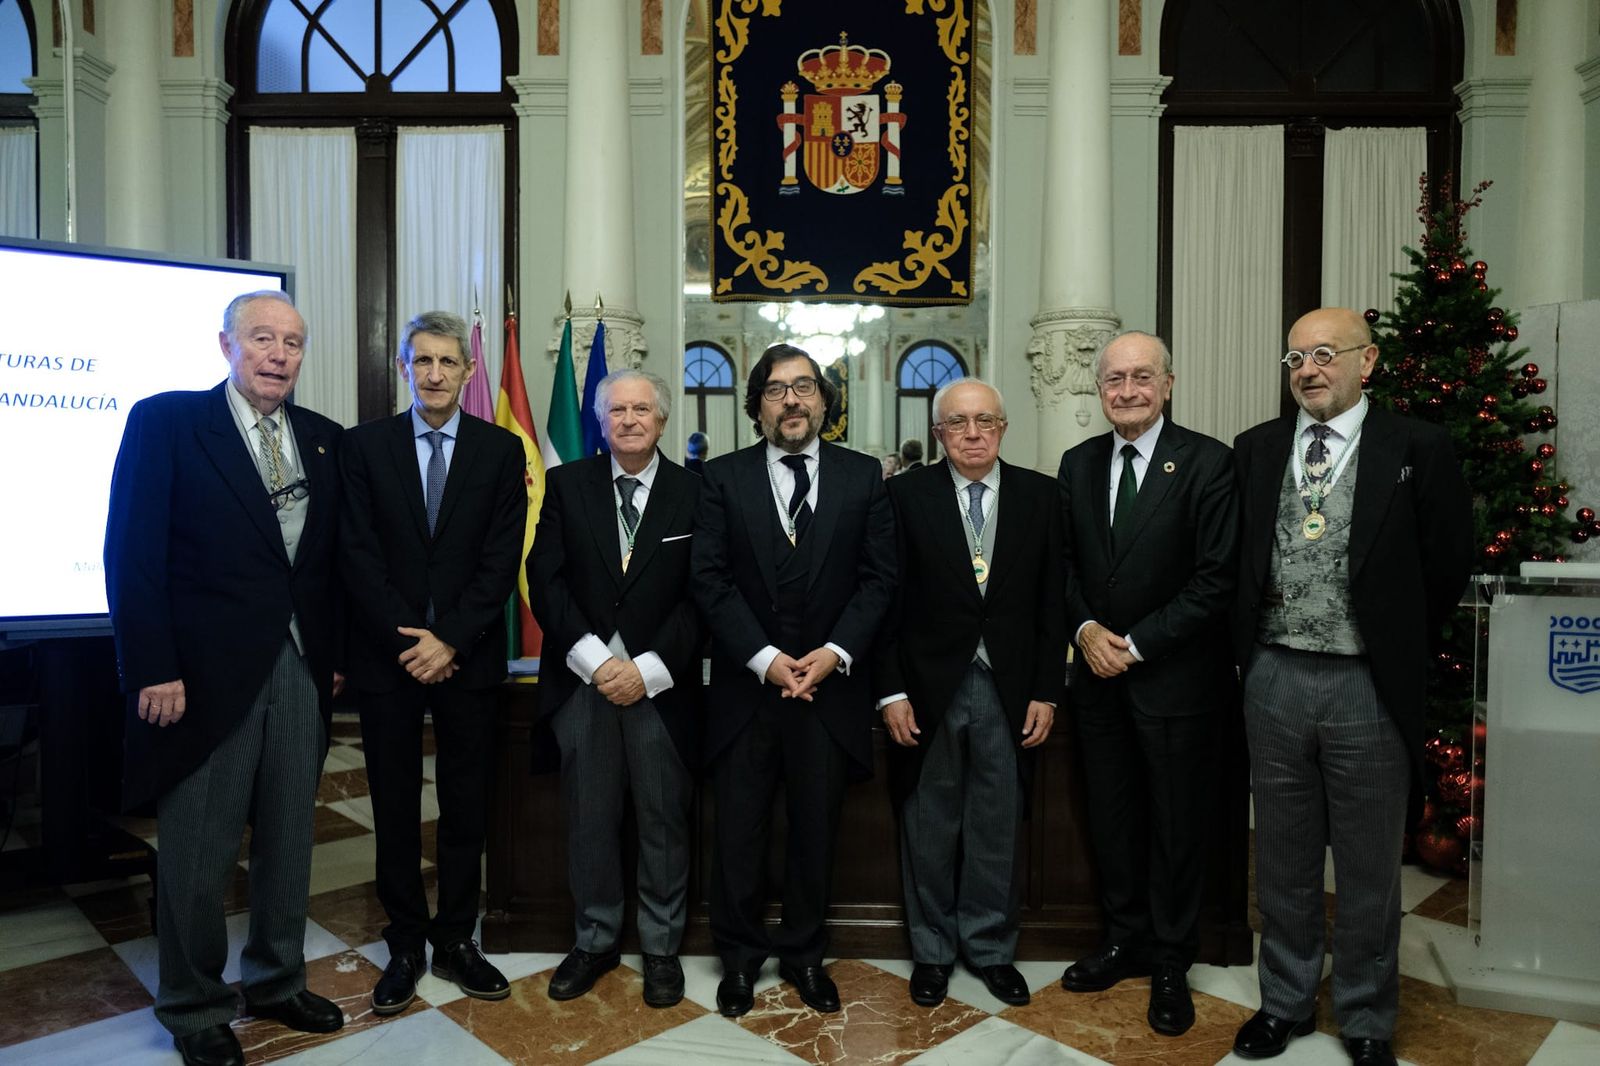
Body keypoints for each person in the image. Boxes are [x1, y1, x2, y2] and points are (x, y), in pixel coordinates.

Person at [104, 291, 345, 1066]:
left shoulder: (322, 439)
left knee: (289, 839)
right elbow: (132, 554)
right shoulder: (168, 423)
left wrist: (333, 655)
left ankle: (276, 980)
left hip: (300, 668)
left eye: (294, 343)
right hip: (200, 679)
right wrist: (153, 666)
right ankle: (194, 1005)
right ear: (226, 345)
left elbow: (326, 565)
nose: (279, 355)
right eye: (263, 339)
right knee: (199, 852)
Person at [1230, 308, 1472, 1066]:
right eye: (1296, 357)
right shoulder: (1257, 449)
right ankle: (1286, 1002)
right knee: (1284, 854)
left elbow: (1447, 564)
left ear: (1367, 363)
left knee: (1369, 866)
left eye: (1326, 354)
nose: (1308, 369)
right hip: (1274, 675)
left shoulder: (1418, 448)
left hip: (1368, 682)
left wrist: (1392, 641)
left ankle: (1366, 1016)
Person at [690, 343, 896, 1017]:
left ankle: (806, 956)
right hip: (747, 696)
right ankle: (741, 960)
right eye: (776, 391)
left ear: (824, 400)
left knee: (815, 833)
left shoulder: (863, 477)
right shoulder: (720, 479)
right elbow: (709, 582)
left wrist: (834, 652)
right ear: (757, 407)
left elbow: (879, 579)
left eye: (804, 387)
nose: (792, 401)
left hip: (829, 693)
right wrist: (765, 659)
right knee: (740, 835)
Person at [339, 311, 527, 1015]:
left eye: (449, 362)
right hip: (389, 662)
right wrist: (412, 643)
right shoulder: (364, 449)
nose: (437, 374)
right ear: (404, 368)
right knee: (390, 804)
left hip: (468, 660)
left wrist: (448, 640)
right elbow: (356, 555)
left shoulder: (501, 453)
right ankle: (406, 941)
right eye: (423, 362)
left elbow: (499, 561)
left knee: (464, 805)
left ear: (469, 371)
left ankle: (455, 939)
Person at [1056, 331, 1237, 1036]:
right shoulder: (1077, 463)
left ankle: (1170, 959)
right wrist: (1085, 631)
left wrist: (1133, 644)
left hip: (1175, 682)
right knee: (1113, 818)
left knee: (1174, 828)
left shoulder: (1206, 463)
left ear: (1168, 383)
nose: (1126, 391)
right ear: (1098, 389)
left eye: (1140, 378)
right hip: (1096, 681)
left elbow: (1215, 579)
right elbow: (1063, 566)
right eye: (1113, 380)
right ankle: (1123, 939)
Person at [877, 379, 1065, 1009]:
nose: (974, 433)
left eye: (986, 420)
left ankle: (988, 947)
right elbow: (886, 604)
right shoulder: (904, 496)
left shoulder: (1042, 496)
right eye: (958, 423)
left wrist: (1047, 688)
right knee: (929, 821)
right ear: (939, 434)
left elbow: (1051, 602)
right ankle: (931, 951)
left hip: (1010, 689)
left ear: (1004, 428)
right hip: (928, 687)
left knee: (996, 821)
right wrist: (891, 691)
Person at [528, 369, 702, 1009]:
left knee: (663, 820)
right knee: (590, 817)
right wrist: (598, 662)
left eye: (641, 410)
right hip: (584, 683)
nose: (629, 420)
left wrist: (648, 668)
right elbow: (544, 578)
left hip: (663, 687)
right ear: (600, 422)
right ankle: (595, 940)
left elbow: (702, 594)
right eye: (616, 410)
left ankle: (661, 949)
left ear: (661, 420)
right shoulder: (567, 485)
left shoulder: (695, 491)